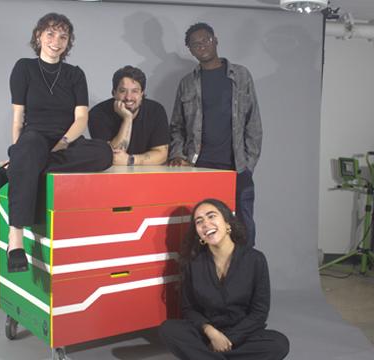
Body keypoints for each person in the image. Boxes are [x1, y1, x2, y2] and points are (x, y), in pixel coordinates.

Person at [5, 13, 112, 272]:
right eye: (50, 34)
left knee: (103, 153)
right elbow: (18, 119)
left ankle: (18, 166)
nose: (56, 41)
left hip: (67, 138)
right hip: (35, 136)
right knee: (28, 149)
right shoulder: (24, 68)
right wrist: (19, 148)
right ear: (38, 36)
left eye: (63, 36)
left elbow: (81, 118)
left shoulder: (75, 74)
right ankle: (15, 238)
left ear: (68, 43)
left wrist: (63, 142)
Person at [169, 23, 262, 248]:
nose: (202, 46)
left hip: (236, 168)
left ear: (215, 40)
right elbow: (176, 126)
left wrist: (248, 163)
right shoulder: (187, 83)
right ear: (190, 50)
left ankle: (243, 276)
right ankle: (208, 277)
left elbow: (254, 122)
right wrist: (178, 155)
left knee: (243, 226)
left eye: (206, 40)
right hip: (199, 168)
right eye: (195, 44)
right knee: (202, 227)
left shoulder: (240, 75)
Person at [159, 199, 289, 360]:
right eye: (199, 222)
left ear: (227, 223)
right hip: (207, 333)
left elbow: (259, 312)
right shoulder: (193, 263)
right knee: (169, 329)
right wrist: (211, 332)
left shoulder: (255, 259)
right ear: (198, 233)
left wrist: (229, 339)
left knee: (278, 343)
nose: (206, 224)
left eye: (211, 216)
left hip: (243, 334)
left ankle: (206, 356)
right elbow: (189, 309)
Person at [89, 65, 169, 165]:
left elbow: (161, 155)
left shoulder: (156, 111)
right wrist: (127, 119)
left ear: (142, 94)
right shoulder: (98, 113)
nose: (128, 97)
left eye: (135, 91)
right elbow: (109, 157)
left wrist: (130, 160)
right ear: (114, 93)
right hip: (110, 174)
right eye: (122, 91)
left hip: (147, 173)